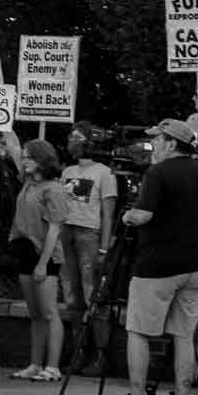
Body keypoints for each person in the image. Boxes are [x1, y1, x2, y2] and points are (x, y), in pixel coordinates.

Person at [107, 118, 198, 395]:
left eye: (158, 139)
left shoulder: (158, 173)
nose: (153, 145)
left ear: (172, 143)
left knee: (138, 330)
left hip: (158, 265)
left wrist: (128, 216)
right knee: (184, 334)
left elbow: (144, 215)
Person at [5, 135, 67, 382]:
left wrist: (43, 262)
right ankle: (35, 363)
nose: (24, 160)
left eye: (29, 157)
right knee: (35, 313)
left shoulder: (54, 190)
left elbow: (55, 228)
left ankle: (53, 366)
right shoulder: (28, 183)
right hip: (25, 250)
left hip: (46, 254)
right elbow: (12, 148)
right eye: (24, 157)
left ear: (42, 160)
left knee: (49, 311)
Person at [58, 123, 118, 321]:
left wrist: (103, 248)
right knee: (69, 284)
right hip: (66, 231)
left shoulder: (105, 173)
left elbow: (108, 213)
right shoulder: (67, 172)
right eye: (71, 137)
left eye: (77, 137)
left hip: (90, 233)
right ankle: (77, 339)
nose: (71, 141)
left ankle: (95, 337)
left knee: (90, 285)